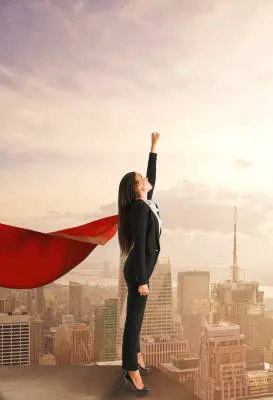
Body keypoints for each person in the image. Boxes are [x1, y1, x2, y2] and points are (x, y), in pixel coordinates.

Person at [118, 132, 161, 395]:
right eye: (140, 180)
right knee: (133, 320)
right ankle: (130, 369)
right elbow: (142, 251)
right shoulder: (139, 208)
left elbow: (152, 176)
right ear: (136, 188)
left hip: (140, 270)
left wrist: (153, 148)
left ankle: (137, 356)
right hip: (137, 272)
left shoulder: (146, 202)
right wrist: (143, 280)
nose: (146, 180)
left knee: (138, 316)